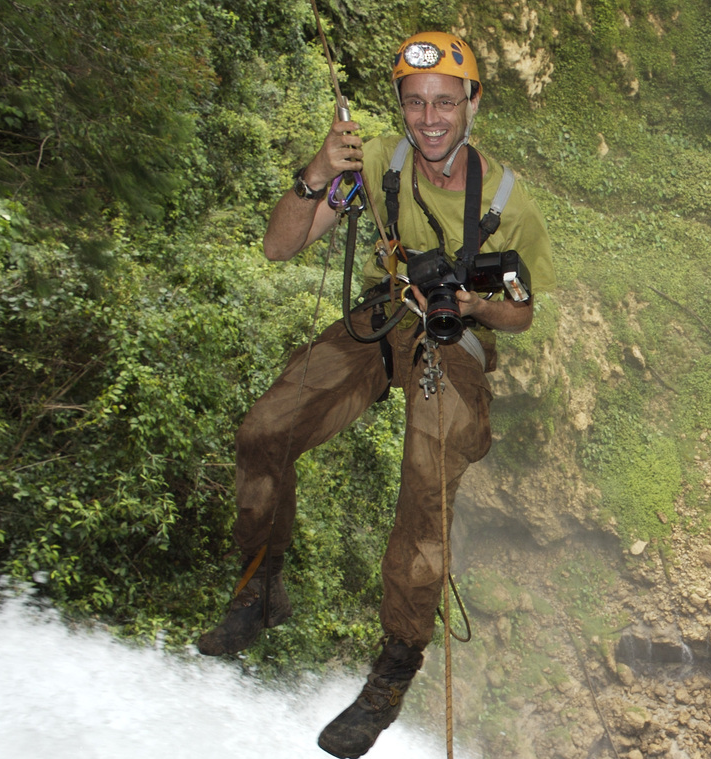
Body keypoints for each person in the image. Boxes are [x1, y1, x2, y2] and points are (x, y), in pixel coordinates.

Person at [197, 31, 554, 758]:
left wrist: (473, 305)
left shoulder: (511, 204)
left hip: (452, 342)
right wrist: (316, 172)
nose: (430, 119)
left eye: (446, 103)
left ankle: (394, 667)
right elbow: (279, 246)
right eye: (417, 102)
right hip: (386, 314)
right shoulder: (376, 162)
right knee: (266, 428)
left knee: (426, 489)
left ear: (472, 104)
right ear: (401, 104)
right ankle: (261, 579)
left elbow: (522, 311)